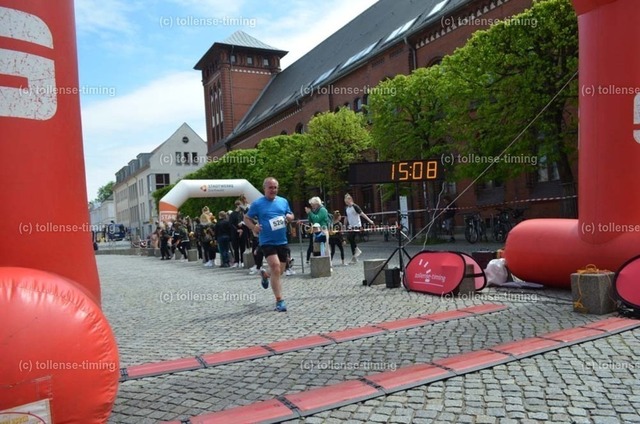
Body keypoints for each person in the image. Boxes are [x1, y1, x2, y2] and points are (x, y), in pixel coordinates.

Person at [243, 177, 294, 312]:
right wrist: (254, 227)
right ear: (264, 188)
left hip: (282, 240)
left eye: (275, 187)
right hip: (266, 241)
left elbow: (290, 214)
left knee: (279, 271)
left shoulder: (283, 201)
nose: (273, 190)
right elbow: (246, 218)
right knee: (275, 266)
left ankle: (266, 274)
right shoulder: (257, 204)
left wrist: (290, 217)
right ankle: (279, 300)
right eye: (270, 187)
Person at [344, 193, 374, 264]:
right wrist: (344, 225)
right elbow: (346, 217)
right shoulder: (346, 208)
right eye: (346, 202)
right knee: (350, 239)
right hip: (351, 226)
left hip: (357, 225)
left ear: (350, 200)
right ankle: (354, 256)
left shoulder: (355, 206)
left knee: (350, 238)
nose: (347, 203)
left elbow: (362, 214)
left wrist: (370, 220)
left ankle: (356, 251)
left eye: (347, 202)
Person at [304, 196, 331, 263]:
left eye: (313, 204)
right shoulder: (315, 211)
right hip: (316, 231)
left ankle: (328, 264)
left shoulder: (323, 210)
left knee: (324, 248)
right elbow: (311, 220)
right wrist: (309, 214)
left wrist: (310, 213)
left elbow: (316, 219)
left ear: (317, 204)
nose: (312, 206)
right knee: (316, 248)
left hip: (322, 230)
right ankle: (318, 264)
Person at [229, 200, 248, 268]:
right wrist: (237, 230)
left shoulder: (243, 213)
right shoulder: (232, 214)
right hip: (235, 232)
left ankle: (242, 261)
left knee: (243, 247)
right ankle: (236, 261)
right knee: (236, 248)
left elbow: (248, 222)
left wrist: (243, 225)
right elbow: (231, 224)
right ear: (237, 205)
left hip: (243, 231)